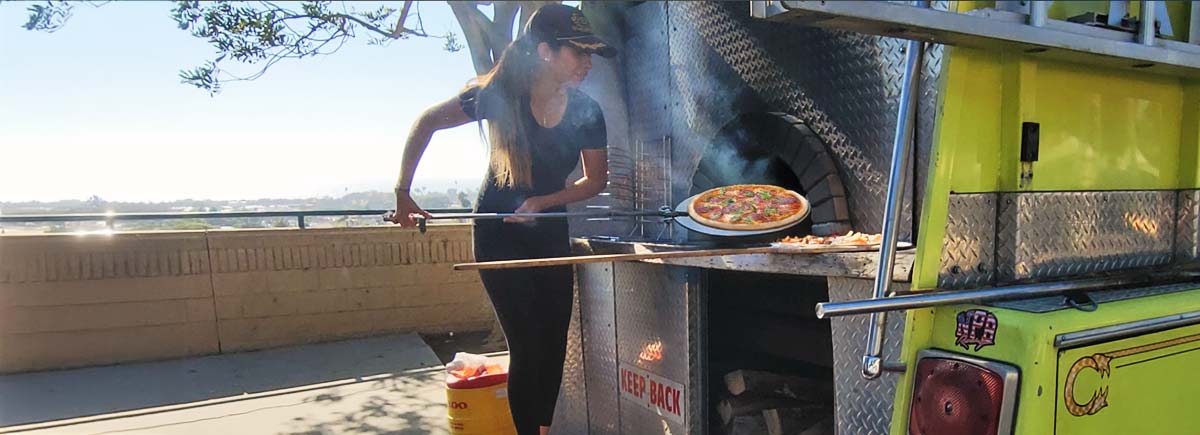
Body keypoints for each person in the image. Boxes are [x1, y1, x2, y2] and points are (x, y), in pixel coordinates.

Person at [389, 5, 615, 435]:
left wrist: (545, 201)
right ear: (546, 51)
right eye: (580, 52)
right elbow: (427, 123)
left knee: (553, 343)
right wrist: (403, 194)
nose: (588, 62)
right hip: (499, 234)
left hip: (549, 233)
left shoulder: (587, 111)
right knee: (528, 345)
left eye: (592, 53)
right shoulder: (499, 95)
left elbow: (595, 181)